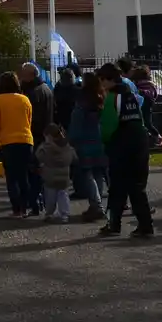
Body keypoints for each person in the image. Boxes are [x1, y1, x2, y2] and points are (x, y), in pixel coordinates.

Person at [97, 62, 155, 238]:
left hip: (121, 144)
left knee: (117, 188)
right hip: (140, 141)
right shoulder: (131, 95)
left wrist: (106, 144)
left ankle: (114, 224)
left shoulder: (111, 98)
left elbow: (107, 128)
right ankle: (146, 225)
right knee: (137, 186)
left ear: (106, 80)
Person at [0, 72, 35, 218]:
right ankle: (26, 206)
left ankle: (16, 208)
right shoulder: (25, 99)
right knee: (24, 176)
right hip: (26, 140)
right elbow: (29, 121)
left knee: (11, 177)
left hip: (8, 142)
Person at [68, 73, 109, 222]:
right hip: (100, 140)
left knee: (87, 174)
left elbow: (76, 123)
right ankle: (97, 205)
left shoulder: (82, 102)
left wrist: (71, 140)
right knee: (98, 173)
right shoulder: (102, 99)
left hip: (85, 141)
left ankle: (96, 205)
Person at [20, 63, 54, 213]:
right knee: (39, 170)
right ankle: (41, 201)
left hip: (35, 134)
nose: (21, 76)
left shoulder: (33, 92)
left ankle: (35, 202)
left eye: (24, 73)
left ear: (31, 75)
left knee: (34, 171)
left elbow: (33, 117)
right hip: (44, 133)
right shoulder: (46, 89)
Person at [36, 123, 78, 223]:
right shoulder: (67, 146)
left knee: (50, 198)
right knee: (63, 195)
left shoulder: (46, 147)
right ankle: (65, 214)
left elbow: (39, 156)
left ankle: (49, 213)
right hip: (64, 178)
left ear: (49, 136)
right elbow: (74, 158)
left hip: (50, 178)